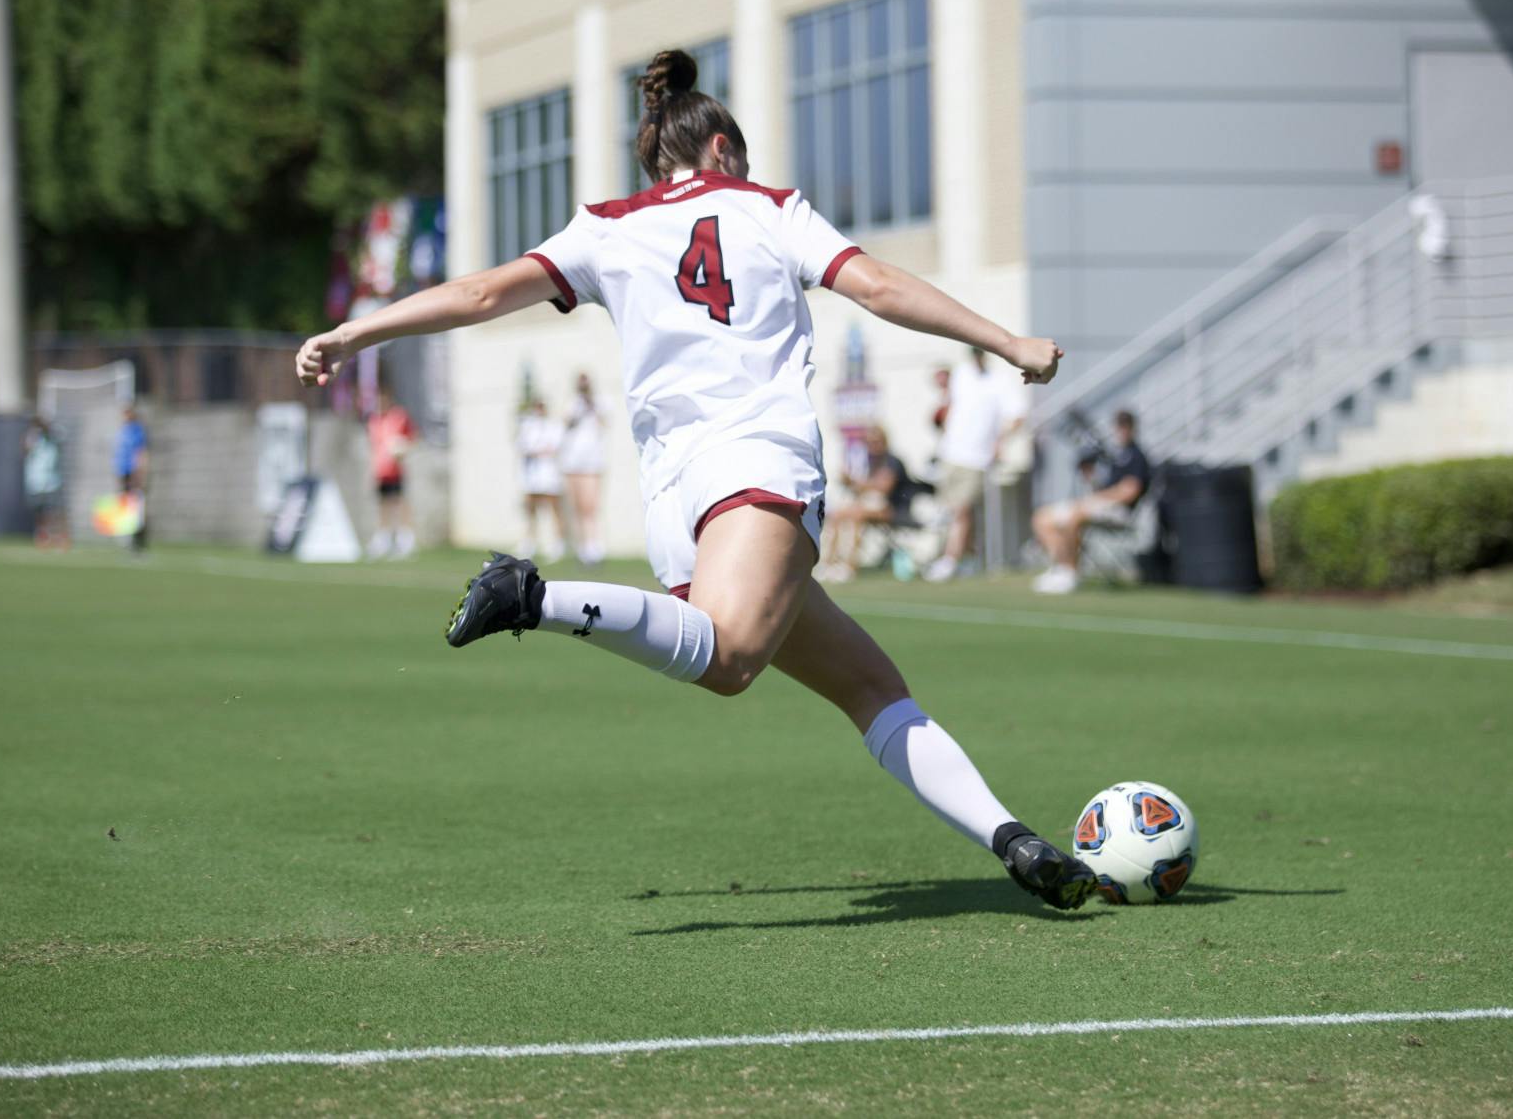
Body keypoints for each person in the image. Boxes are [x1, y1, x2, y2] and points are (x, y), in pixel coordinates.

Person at [294, 48, 1095, 911]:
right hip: (755, 461)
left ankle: (1013, 840)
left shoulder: (605, 226)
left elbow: (484, 293)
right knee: (732, 660)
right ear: (720, 148)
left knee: (870, 686)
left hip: (675, 499)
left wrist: (355, 332)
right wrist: (1007, 340)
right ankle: (531, 596)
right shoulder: (772, 208)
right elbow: (878, 285)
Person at [1031, 409, 1152, 594]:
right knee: (1041, 518)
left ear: (1132, 428)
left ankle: (1069, 573)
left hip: (1120, 511)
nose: (1122, 430)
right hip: (1098, 504)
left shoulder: (1137, 456)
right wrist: (1090, 475)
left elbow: (1129, 491)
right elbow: (1101, 486)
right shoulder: (1116, 456)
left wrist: (1100, 498)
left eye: (1126, 425)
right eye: (1119, 425)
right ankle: (1060, 566)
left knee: (1075, 516)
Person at [923, 348, 1014, 582]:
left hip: (977, 458)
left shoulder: (999, 381)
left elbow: (1016, 415)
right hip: (950, 454)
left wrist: (1000, 442)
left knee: (961, 510)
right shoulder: (962, 375)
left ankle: (949, 561)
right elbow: (948, 406)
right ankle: (968, 558)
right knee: (954, 511)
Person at [819, 424, 920, 582]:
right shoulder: (867, 461)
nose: (873, 445)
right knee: (837, 515)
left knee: (856, 515)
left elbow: (883, 488)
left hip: (894, 509)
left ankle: (849, 566)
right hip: (869, 506)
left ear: (884, 441)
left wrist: (854, 482)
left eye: (876, 441)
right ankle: (829, 563)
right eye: (869, 442)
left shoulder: (892, 461)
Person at [559, 372, 606, 566]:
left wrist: (590, 404)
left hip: (591, 462)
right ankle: (582, 547)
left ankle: (593, 546)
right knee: (577, 507)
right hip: (572, 461)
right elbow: (566, 423)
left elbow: (603, 423)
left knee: (590, 506)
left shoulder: (599, 402)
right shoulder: (572, 403)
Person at [368, 393, 418, 559]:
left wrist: (403, 447)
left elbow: (412, 436)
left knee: (399, 503)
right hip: (380, 470)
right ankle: (383, 540)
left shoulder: (399, 416)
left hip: (395, 469)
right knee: (383, 504)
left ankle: (405, 539)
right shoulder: (374, 420)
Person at [516, 398, 565, 562]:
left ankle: (558, 544)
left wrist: (538, 450)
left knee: (554, 508)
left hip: (549, 474)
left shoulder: (553, 426)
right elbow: (523, 447)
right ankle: (529, 543)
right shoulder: (527, 426)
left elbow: (554, 447)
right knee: (530, 509)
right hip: (532, 475)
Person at [22, 418, 68, 550]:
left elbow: (61, 440)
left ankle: (61, 537)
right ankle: (43, 537)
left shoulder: (54, 435)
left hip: (52, 481)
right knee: (39, 512)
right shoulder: (33, 437)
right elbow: (25, 450)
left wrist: (47, 429)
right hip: (35, 481)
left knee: (56, 511)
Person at [113, 404, 149, 551]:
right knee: (125, 505)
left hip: (134, 472)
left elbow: (140, 453)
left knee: (137, 506)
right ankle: (127, 536)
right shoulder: (122, 431)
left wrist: (140, 472)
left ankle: (138, 541)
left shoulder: (137, 431)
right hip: (123, 472)